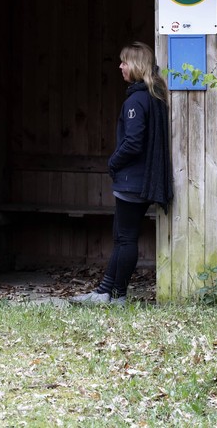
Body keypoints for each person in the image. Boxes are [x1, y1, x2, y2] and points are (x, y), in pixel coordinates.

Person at [71, 41, 173, 306]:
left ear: (136, 66)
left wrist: (113, 161)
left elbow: (133, 141)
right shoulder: (154, 95)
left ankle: (115, 295)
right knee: (123, 237)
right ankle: (109, 292)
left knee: (125, 238)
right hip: (142, 179)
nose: (120, 66)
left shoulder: (136, 100)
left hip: (132, 180)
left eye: (124, 62)